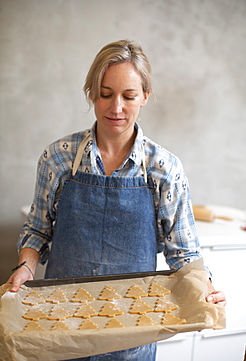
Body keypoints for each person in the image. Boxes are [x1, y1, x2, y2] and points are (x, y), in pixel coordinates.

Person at [6, 39, 226, 360]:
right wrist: (25, 267)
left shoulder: (163, 169)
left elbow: (184, 252)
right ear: (92, 93)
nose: (116, 108)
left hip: (131, 332)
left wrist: (206, 287)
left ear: (146, 97)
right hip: (61, 324)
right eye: (106, 94)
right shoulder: (58, 158)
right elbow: (38, 229)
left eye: (129, 96)